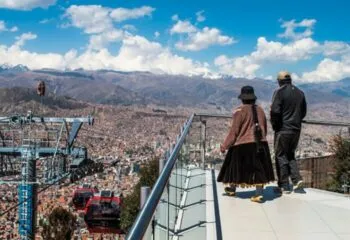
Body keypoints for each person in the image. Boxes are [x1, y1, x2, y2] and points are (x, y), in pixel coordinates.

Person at [217, 86, 275, 203]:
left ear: (242, 99)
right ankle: (259, 193)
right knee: (259, 168)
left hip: (243, 144)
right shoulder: (260, 110)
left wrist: (224, 146)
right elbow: (264, 128)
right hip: (260, 143)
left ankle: (232, 188)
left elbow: (234, 132)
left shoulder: (239, 112)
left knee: (234, 165)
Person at [270, 71, 307, 194]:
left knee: (280, 155)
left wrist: (276, 126)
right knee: (290, 154)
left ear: (279, 81)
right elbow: (303, 112)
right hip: (296, 129)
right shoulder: (300, 93)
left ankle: (283, 185)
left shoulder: (279, 92)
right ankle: (296, 180)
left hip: (283, 129)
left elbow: (275, 111)